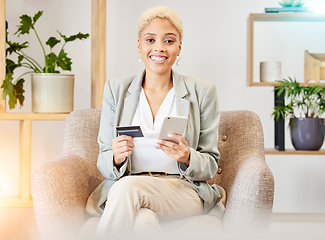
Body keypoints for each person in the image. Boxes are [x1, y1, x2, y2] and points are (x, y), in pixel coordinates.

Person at [85, 6, 226, 237]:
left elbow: (210, 165)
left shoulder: (203, 91)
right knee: (143, 221)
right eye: (150, 39)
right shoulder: (116, 90)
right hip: (131, 186)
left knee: (127, 189)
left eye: (169, 41)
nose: (159, 47)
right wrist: (116, 157)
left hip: (183, 191)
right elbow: (103, 159)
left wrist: (187, 156)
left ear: (179, 47)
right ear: (139, 45)